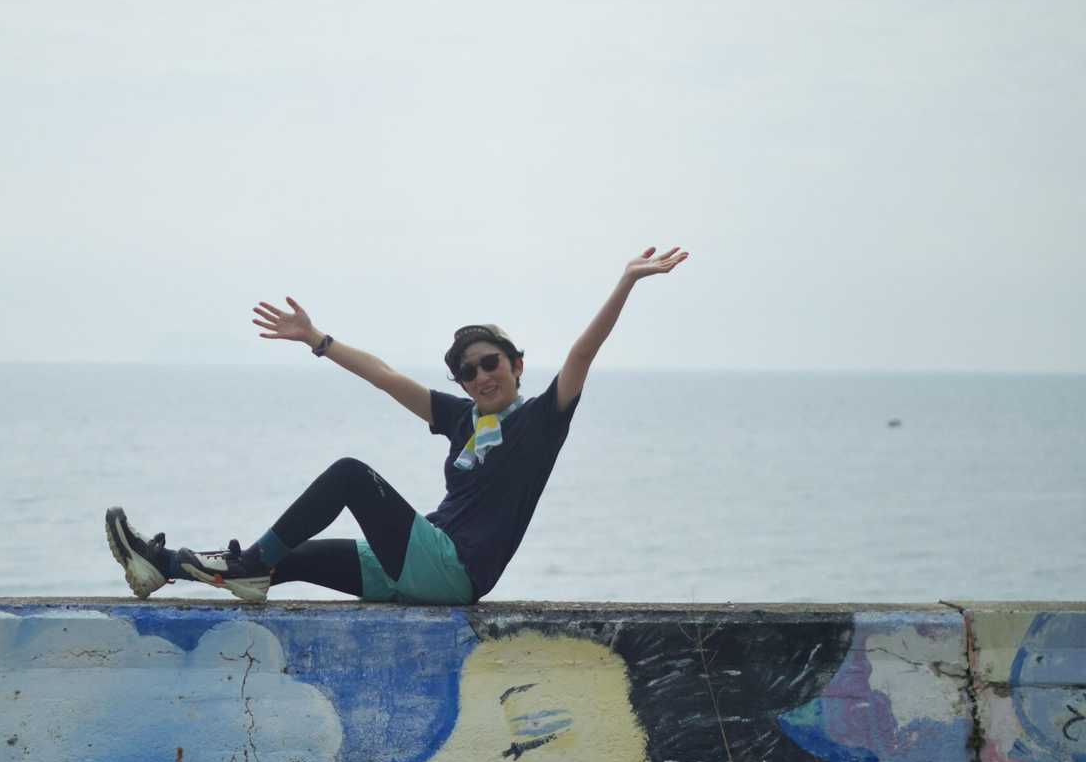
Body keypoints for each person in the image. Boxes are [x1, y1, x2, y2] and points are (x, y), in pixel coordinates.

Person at [105, 245, 688, 603]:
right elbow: (386, 377)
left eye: (491, 363)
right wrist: (317, 340)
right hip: (415, 564)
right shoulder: (463, 418)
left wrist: (626, 282)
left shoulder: (539, 422)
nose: (481, 376)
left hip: (453, 571)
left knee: (350, 476)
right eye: (468, 371)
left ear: (516, 365)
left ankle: (248, 563)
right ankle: (163, 566)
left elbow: (582, 354)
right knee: (290, 559)